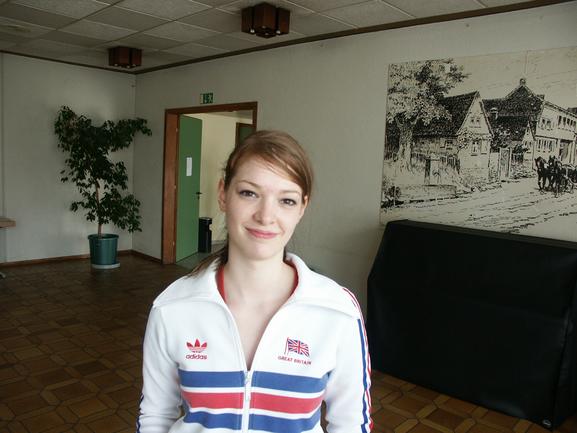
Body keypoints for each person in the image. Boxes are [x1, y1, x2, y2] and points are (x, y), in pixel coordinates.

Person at [138, 130, 372, 433]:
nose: (266, 216)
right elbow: (155, 417)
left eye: (286, 200)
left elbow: (351, 424)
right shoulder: (173, 307)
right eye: (249, 193)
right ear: (223, 194)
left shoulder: (336, 311)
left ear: (302, 208)